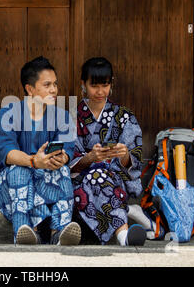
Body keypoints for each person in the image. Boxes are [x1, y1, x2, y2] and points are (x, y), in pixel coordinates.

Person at [0, 56, 81, 246]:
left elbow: (67, 150)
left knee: (62, 170)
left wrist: (61, 158)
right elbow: (8, 153)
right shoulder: (7, 114)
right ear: (30, 89)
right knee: (20, 170)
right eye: (47, 84)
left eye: (55, 84)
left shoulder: (62, 117)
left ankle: (59, 233)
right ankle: (26, 232)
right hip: (12, 185)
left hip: (47, 179)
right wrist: (34, 162)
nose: (54, 90)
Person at [70, 57, 163, 246]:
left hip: (115, 178)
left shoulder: (124, 116)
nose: (100, 91)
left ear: (111, 84)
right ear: (83, 84)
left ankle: (124, 228)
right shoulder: (71, 117)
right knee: (95, 176)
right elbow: (66, 158)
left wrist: (124, 155)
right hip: (80, 181)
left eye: (105, 85)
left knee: (100, 176)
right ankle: (124, 231)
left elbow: (134, 160)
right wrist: (89, 158)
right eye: (94, 85)